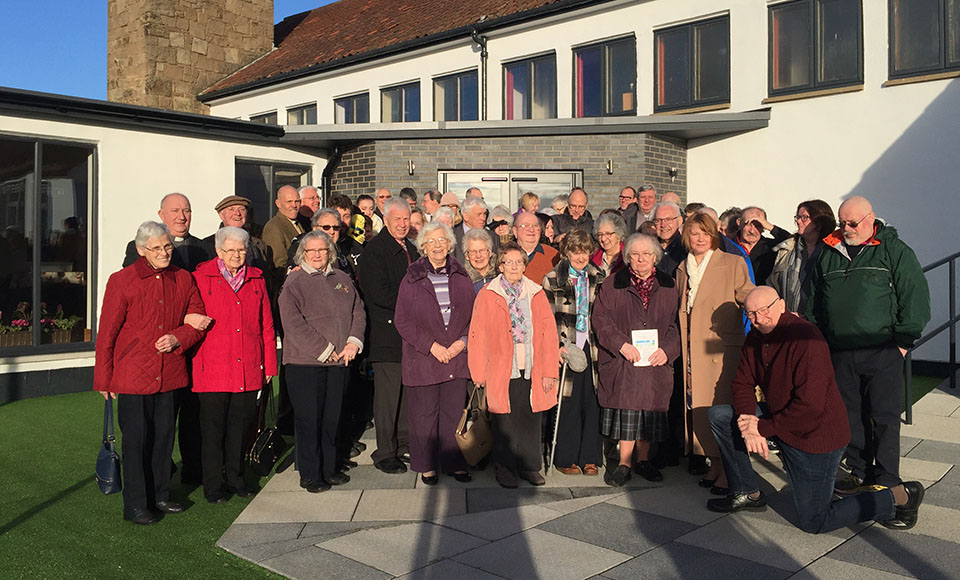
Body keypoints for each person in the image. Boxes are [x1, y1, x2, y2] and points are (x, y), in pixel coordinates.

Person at [708, 286, 925, 532]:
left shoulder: (805, 338)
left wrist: (762, 427)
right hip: (783, 421)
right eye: (751, 314)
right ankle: (748, 491)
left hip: (817, 436)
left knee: (815, 521)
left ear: (781, 305)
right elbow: (742, 383)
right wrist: (748, 422)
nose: (758, 319)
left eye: (763, 310)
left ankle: (900, 496)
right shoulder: (756, 338)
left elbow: (809, 406)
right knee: (721, 416)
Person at [807, 195, 930, 496]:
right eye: (842, 222)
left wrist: (902, 342)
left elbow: (914, 297)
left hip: (883, 349)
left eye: (853, 222)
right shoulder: (827, 251)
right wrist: (821, 341)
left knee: (884, 416)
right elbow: (813, 301)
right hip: (840, 351)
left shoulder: (894, 250)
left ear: (871, 218)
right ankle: (859, 471)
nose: (846, 228)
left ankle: (888, 477)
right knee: (850, 414)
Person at [95, 221, 206, 525]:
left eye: (167, 246)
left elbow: (198, 322)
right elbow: (107, 333)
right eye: (156, 248)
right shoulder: (122, 280)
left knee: (163, 439)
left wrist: (178, 337)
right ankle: (135, 504)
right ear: (141, 250)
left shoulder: (183, 278)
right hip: (132, 375)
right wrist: (103, 379)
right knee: (136, 441)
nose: (164, 252)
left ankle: (161, 494)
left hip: (169, 373)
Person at [121, 193, 212, 487]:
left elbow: (202, 298)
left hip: (191, 345)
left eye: (187, 210)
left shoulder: (203, 248)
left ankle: (191, 470)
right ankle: (155, 477)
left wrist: (188, 321)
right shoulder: (138, 249)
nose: (182, 216)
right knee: (152, 425)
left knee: (190, 414)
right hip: (154, 352)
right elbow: (139, 301)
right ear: (161, 213)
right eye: (175, 211)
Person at [191, 227, 276, 504]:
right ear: (218, 251)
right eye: (231, 250)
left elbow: (266, 325)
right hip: (212, 368)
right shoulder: (200, 278)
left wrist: (269, 366)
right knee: (213, 431)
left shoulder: (257, 279)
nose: (237, 255)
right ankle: (213, 484)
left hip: (248, 367)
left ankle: (237, 478)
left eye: (242, 250)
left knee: (241, 429)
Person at [469, 242, 560, 488]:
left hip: (532, 366)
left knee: (530, 418)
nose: (514, 266)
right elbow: (477, 335)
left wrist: (551, 370)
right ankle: (505, 468)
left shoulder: (536, 292)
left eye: (518, 262)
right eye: (508, 262)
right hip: (500, 368)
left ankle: (530, 466)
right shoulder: (488, 294)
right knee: (504, 421)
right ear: (500, 265)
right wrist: (478, 372)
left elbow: (549, 334)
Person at [280, 231, 365, 492]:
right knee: (309, 420)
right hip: (306, 364)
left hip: (340, 361)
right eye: (311, 251)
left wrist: (353, 341)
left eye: (322, 250)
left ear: (330, 252)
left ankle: (330, 468)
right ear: (303, 254)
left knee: (332, 418)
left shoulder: (342, 278)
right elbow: (292, 324)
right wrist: (324, 349)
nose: (317, 255)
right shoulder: (294, 282)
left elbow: (358, 310)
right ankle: (310, 473)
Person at [592, 233, 680, 486]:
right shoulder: (612, 284)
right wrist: (621, 344)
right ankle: (624, 463)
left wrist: (667, 349)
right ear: (627, 258)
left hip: (655, 360)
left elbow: (677, 324)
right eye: (635, 254)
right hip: (624, 360)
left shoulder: (670, 286)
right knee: (628, 410)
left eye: (646, 254)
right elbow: (601, 320)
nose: (641, 259)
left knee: (650, 411)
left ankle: (644, 460)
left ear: (655, 257)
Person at [676, 213, 754, 491]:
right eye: (694, 233)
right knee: (697, 408)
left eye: (705, 233)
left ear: (714, 236)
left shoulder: (732, 262)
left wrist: (765, 311)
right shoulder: (682, 268)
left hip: (721, 349)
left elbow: (748, 294)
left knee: (719, 409)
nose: (699, 238)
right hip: (692, 349)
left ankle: (728, 468)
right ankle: (714, 463)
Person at [395, 221, 475, 485]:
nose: (438, 245)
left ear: (450, 244)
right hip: (425, 357)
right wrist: (432, 346)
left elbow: (473, 317)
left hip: (456, 355)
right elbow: (403, 320)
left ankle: (455, 462)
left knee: (453, 413)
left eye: (442, 240)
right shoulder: (412, 277)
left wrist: (460, 343)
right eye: (432, 241)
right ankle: (427, 465)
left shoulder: (462, 276)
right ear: (423, 247)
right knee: (425, 414)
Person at [356, 198, 420, 474]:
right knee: (387, 396)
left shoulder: (411, 249)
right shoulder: (376, 251)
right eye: (397, 220)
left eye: (406, 219)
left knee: (407, 392)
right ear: (385, 218)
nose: (403, 224)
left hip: (409, 336)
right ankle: (384, 452)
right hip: (387, 334)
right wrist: (415, 303)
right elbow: (378, 293)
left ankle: (403, 443)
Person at [542, 230, 605, 476]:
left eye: (585, 251)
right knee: (568, 400)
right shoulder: (552, 279)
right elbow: (546, 319)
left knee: (591, 400)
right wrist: (556, 346)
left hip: (592, 344)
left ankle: (590, 456)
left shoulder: (598, 276)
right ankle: (565, 456)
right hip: (565, 344)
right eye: (575, 251)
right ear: (566, 252)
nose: (581, 256)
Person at [769, 200, 836, 314]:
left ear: (819, 223)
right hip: (790, 319)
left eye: (804, 217)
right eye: (798, 217)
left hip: (819, 321)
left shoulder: (832, 251)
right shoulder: (788, 249)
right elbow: (774, 283)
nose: (799, 221)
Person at [262, 185, 309, 283]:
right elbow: (278, 265)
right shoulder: (274, 227)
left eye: (297, 201)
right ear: (278, 203)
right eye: (289, 202)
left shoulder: (299, 223)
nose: (294, 205)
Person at [736, 206, 791, 285]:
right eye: (748, 224)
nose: (752, 231)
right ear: (739, 222)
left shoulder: (771, 247)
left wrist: (770, 227)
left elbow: (791, 241)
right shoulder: (727, 245)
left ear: (764, 227)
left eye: (758, 226)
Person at [514, 211, 559, 284]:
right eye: (525, 225)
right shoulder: (505, 254)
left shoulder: (553, 255)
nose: (531, 230)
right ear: (515, 231)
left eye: (535, 226)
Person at [454, 196, 491, 263]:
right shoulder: (452, 236)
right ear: (466, 216)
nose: (483, 218)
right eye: (479, 214)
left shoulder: (493, 237)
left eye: (484, 214)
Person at [652, 202, 686, 277]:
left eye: (668, 219)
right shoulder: (649, 248)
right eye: (658, 220)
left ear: (680, 221)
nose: (663, 225)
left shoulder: (686, 249)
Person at [462, 228, 498, 292]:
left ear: (489, 252)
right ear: (466, 256)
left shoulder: (500, 275)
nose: (478, 255)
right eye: (473, 251)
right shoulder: (462, 279)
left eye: (482, 250)